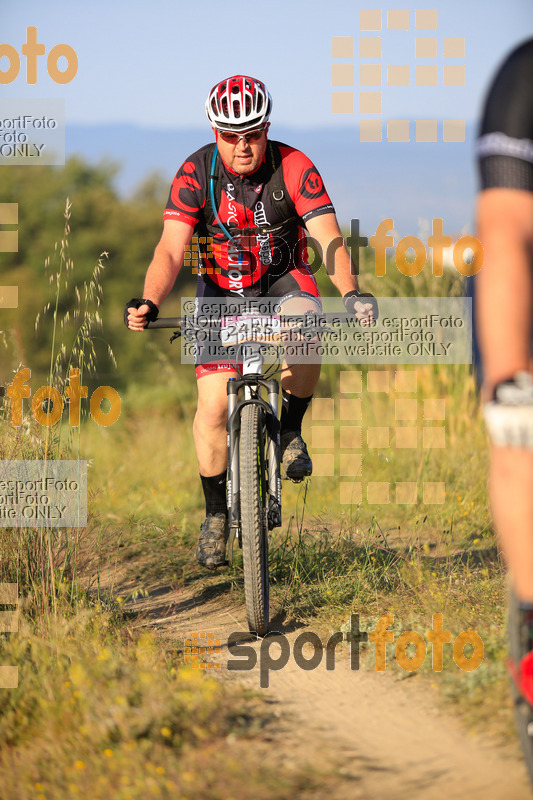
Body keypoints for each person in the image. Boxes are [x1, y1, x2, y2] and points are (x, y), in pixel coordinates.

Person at [125, 75, 375, 569]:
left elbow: (329, 240)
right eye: (231, 135)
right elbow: (171, 250)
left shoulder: (295, 167)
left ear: (266, 129)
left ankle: (289, 432)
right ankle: (216, 514)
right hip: (219, 290)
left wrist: (351, 291)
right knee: (214, 407)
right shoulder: (195, 173)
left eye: (253, 134)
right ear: (215, 132)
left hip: (282, 280)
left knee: (307, 325)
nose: (243, 145)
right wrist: (151, 299)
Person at [475, 40, 533, 700]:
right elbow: (506, 226)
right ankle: (530, 607)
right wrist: (508, 375)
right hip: (524, 273)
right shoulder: (523, 77)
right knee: (517, 434)